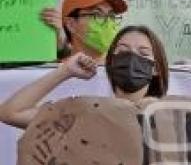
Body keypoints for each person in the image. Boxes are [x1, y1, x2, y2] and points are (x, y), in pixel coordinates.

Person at [0, 26, 169, 129]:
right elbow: (11, 113)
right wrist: (65, 71)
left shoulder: (172, 121)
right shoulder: (87, 116)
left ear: (157, 69)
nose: (132, 58)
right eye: (123, 51)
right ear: (111, 62)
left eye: (143, 53)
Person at [43, 0, 128, 62]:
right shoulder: (52, 72)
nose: (108, 22)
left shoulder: (125, 71)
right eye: (97, 14)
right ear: (71, 24)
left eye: (112, 16)